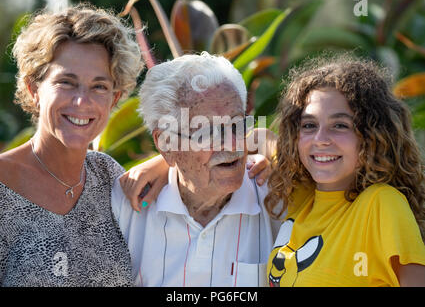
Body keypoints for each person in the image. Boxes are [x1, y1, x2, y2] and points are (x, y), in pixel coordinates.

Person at [0, 4, 143, 286]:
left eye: (99, 86)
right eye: (66, 82)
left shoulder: (110, 179)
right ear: (33, 89)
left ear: (114, 99)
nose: (82, 102)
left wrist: (162, 164)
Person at [112, 52, 282, 286]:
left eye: (238, 124)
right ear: (167, 144)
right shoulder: (124, 210)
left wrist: (267, 141)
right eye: (207, 132)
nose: (233, 144)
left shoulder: (275, 197)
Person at [265, 55, 425, 287]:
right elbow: (261, 140)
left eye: (340, 125)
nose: (320, 140)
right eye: (309, 125)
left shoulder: (381, 204)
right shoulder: (302, 197)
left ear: (373, 137)